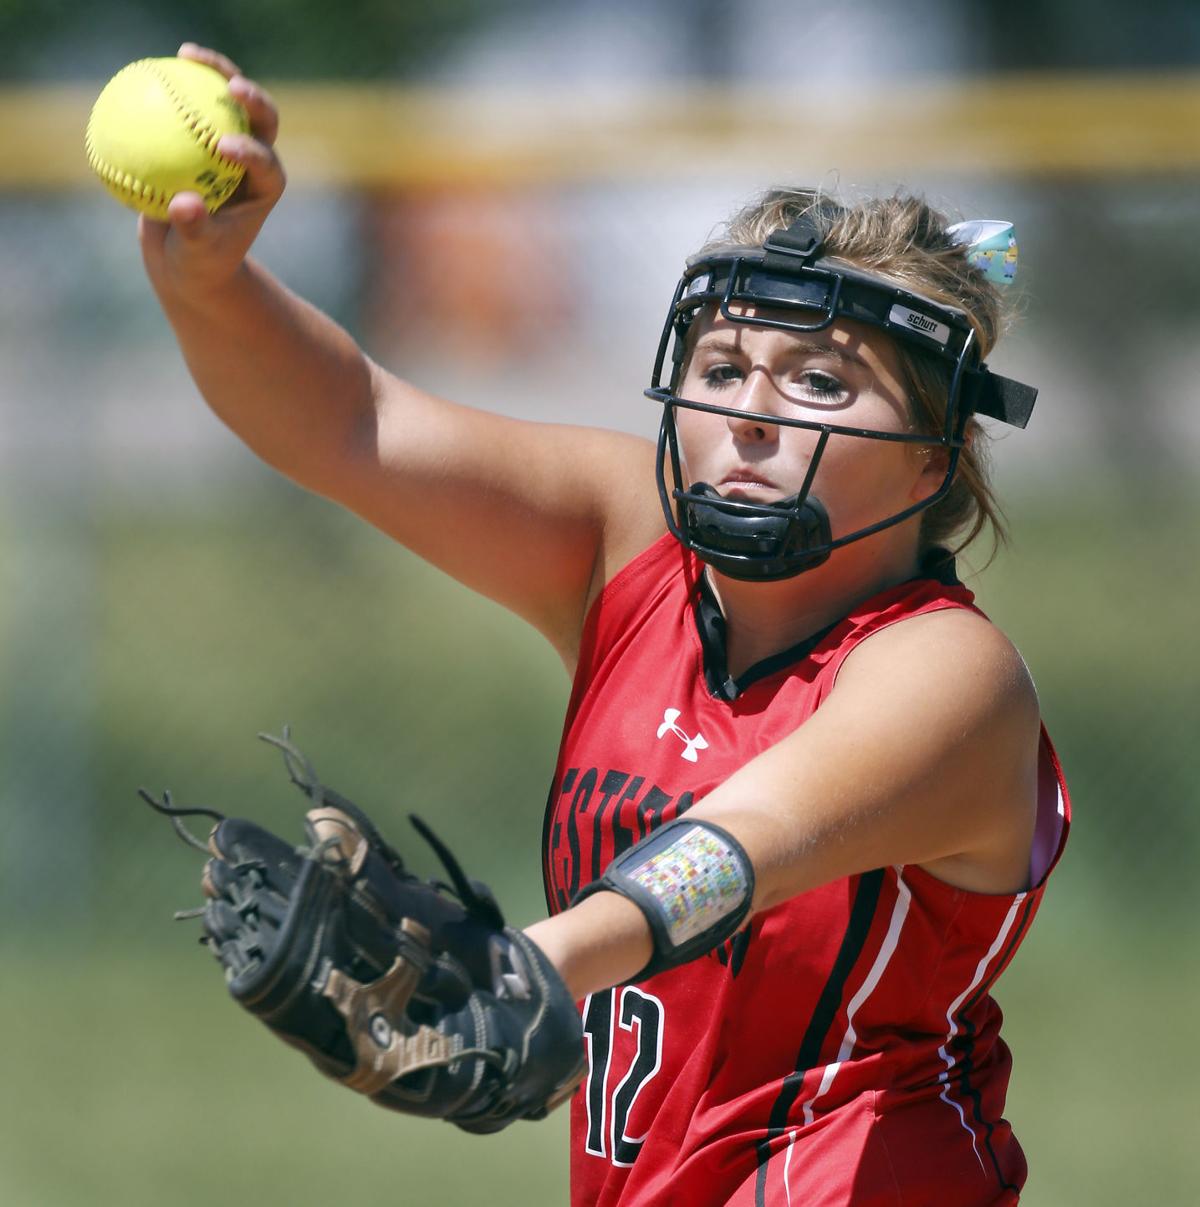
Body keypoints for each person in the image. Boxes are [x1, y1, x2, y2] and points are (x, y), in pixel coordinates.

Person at [141, 43, 1070, 1207]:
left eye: (822, 382)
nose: (750, 415)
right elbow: (350, 419)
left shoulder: (947, 668)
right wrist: (210, 284)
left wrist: (534, 962)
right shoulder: (629, 551)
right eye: (723, 365)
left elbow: (751, 838)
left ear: (936, 452)